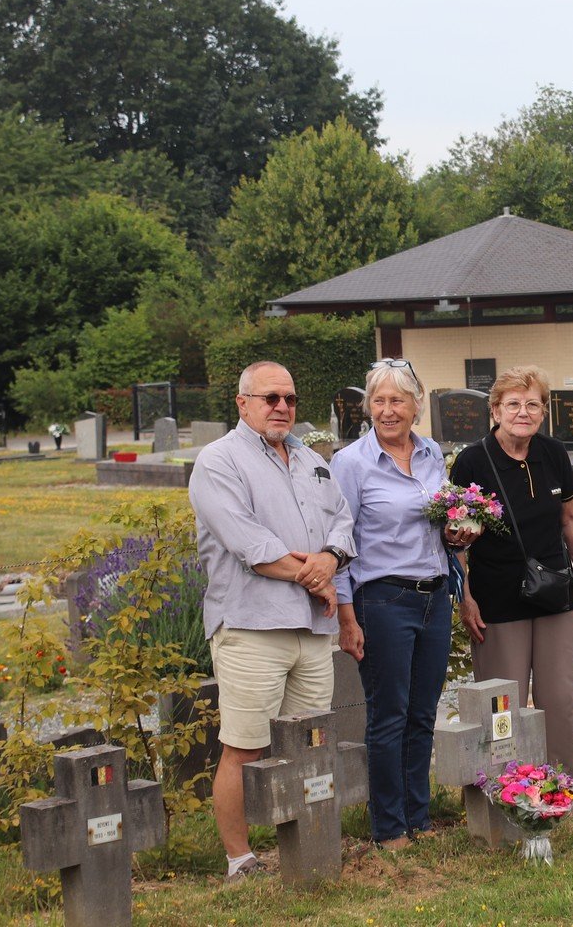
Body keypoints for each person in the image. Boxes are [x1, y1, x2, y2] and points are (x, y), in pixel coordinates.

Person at [188, 360, 356, 883]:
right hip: (251, 625)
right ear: (243, 404)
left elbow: (343, 523)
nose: (282, 406)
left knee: (310, 742)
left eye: (289, 397)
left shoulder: (311, 459)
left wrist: (329, 560)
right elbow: (251, 546)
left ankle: (308, 843)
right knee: (245, 745)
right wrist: (319, 576)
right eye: (269, 398)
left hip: (311, 628)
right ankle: (240, 859)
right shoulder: (218, 462)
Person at [331, 360, 471, 851]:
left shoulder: (432, 452)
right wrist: (347, 616)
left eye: (398, 401)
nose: (387, 411)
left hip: (434, 596)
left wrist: (457, 533)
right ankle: (388, 827)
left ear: (417, 404)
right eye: (379, 401)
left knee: (422, 712)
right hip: (383, 599)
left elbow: (441, 523)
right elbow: (339, 544)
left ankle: (419, 814)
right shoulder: (351, 463)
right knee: (388, 715)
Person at [450, 365, 573, 780]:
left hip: (555, 594)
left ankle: (563, 787)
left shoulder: (552, 453)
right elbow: (458, 535)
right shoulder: (472, 462)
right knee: (502, 705)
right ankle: (507, 789)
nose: (523, 412)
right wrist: (467, 596)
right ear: (495, 410)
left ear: (544, 411)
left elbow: (571, 517)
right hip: (496, 600)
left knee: (558, 699)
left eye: (533, 404)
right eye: (513, 403)